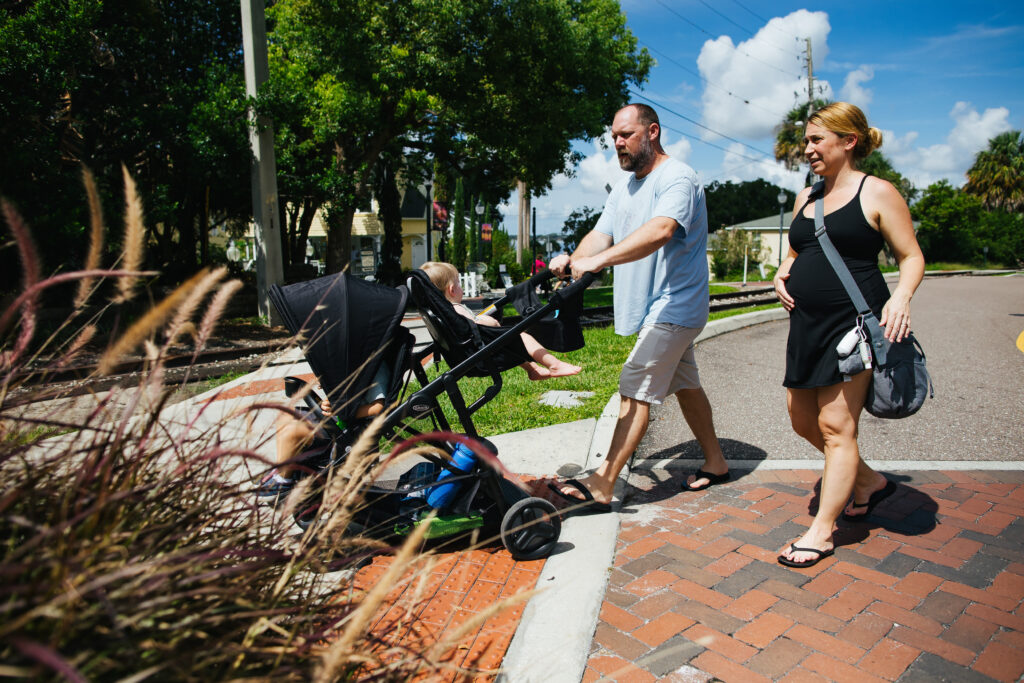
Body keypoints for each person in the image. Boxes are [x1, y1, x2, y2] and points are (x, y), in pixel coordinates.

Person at [547, 103, 728, 511]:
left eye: (625, 134)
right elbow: (601, 234)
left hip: (675, 306)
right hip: (654, 309)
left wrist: (599, 262)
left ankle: (603, 482)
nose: (617, 143)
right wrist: (574, 260)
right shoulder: (626, 187)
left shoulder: (677, 177)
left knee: (634, 389)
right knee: (685, 384)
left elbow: (662, 229)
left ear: (652, 132)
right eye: (613, 136)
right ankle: (716, 462)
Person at [773, 102, 924, 568]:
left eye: (818, 139)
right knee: (801, 419)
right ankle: (869, 482)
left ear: (848, 141)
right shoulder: (806, 197)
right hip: (807, 326)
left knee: (837, 428)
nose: (808, 148)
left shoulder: (877, 192)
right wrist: (784, 270)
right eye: (807, 140)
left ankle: (822, 531)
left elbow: (911, 256)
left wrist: (900, 299)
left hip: (852, 326)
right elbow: (800, 250)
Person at [419, 261, 581, 381]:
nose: (461, 288)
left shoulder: (446, 313)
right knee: (522, 337)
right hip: (481, 356)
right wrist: (488, 322)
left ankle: (533, 369)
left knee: (510, 342)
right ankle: (554, 364)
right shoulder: (456, 309)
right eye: (459, 284)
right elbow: (475, 327)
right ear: (452, 290)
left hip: (474, 353)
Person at [256, 366, 388, 499]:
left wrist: (343, 411)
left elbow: (379, 408)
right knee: (286, 416)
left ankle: (283, 481)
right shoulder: (355, 362)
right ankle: (284, 468)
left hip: (346, 430)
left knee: (292, 431)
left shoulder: (376, 370)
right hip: (336, 419)